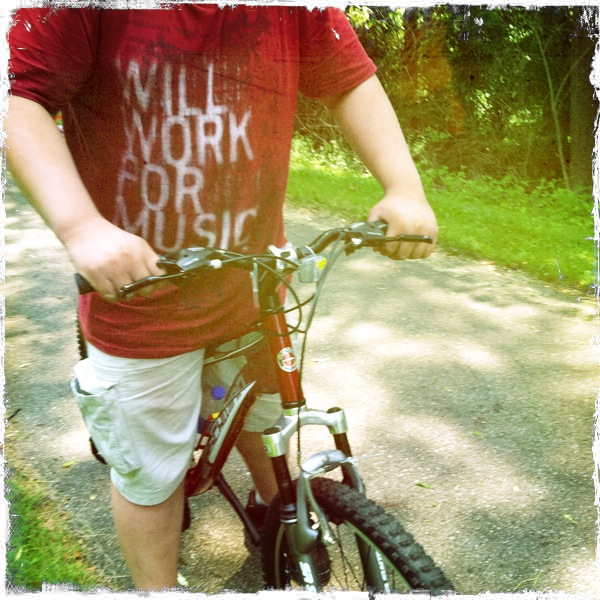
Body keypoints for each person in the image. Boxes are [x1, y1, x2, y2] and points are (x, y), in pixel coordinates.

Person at [5, 4, 438, 591]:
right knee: (151, 477)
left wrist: (403, 186)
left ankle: (275, 513)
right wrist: (81, 226)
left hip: (254, 286)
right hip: (142, 300)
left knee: (267, 416)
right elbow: (20, 98)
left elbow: (349, 80)